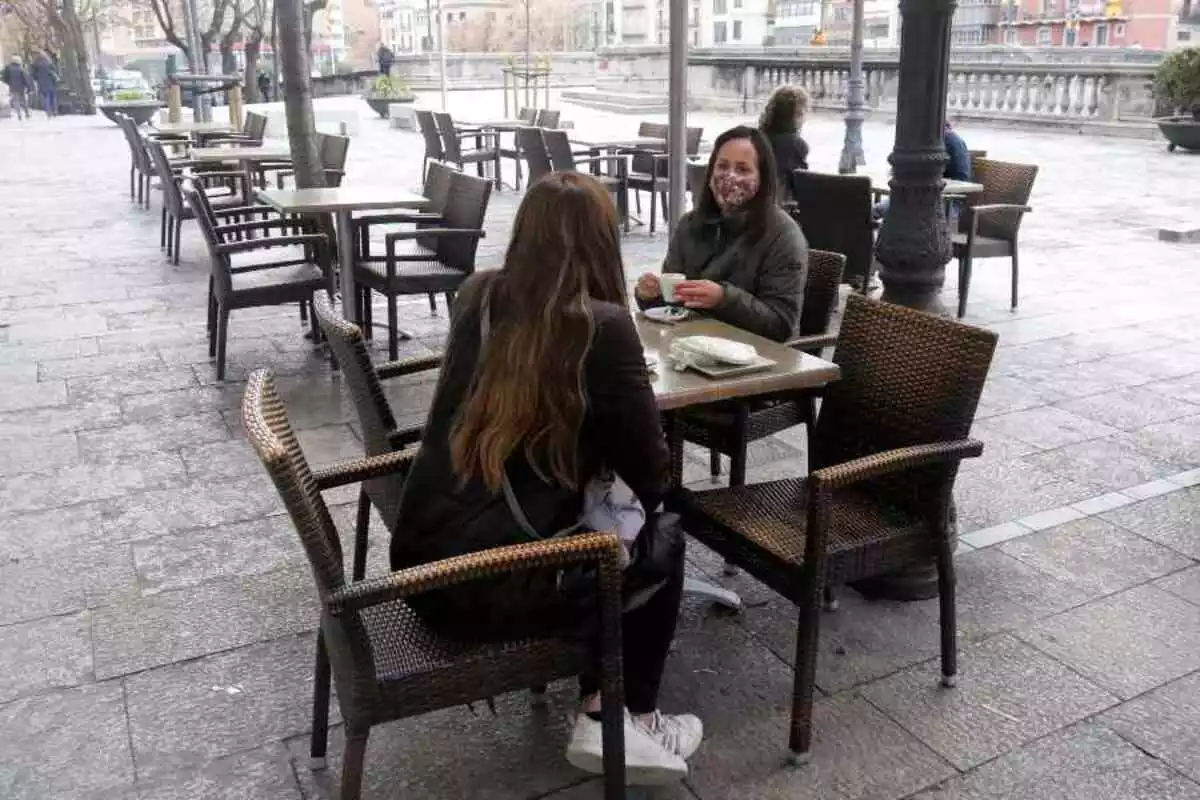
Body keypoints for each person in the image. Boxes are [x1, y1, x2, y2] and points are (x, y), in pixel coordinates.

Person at [390, 171, 703, 785]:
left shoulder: (477, 296)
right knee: (660, 531)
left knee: (604, 524)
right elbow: (654, 475)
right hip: (489, 585)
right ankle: (623, 715)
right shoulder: (603, 327)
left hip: (423, 566)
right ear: (599, 243)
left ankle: (600, 702)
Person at [635, 125, 808, 343]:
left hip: (760, 358)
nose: (730, 176)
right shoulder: (691, 224)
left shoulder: (783, 236)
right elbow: (673, 304)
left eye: (743, 169)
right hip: (693, 346)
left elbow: (781, 325)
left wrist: (723, 298)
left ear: (762, 179)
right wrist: (651, 295)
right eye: (722, 166)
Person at [758, 85, 810, 203]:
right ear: (797, 115)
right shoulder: (797, 145)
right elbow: (800, 184)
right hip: (780, 206)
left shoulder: (758, 137)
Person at [2, 56, 31, 120]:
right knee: (23, 101)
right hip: (21, 87)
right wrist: (28, 87)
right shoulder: (21, 69)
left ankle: (19, 114)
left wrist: (9, 83)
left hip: (12, 87)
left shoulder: (8, 69)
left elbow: (5, 78)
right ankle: (27, 113)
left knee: (16, 101)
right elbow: (25, 79)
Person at [30, 53, 57, 118]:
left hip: (42, 83)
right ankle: (55, 110)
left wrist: (37, 78)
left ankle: (48, 112)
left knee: (46, 97)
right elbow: (54, 71)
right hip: (51, 82)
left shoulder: (35, 65)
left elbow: (33, 75)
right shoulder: (49, 63)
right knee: (53, 97)